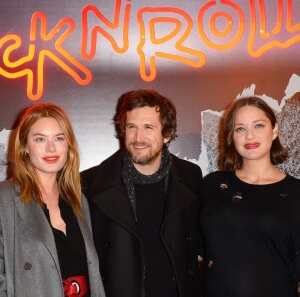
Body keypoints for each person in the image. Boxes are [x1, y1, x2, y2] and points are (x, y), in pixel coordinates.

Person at [81, 89, 203, 297]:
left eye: (148, 127)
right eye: (131, 127)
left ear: (166, 134)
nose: (138, 138)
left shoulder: (191, 177)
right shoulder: (90, 184)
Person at [0, 103, 106, 297]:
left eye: (59, 138)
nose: (51, 148)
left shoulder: (78, 199)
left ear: (68, 145)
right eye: (40, 139)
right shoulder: (4, 198)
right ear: (24, 146)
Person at [200, 96, 300, 297]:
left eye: (259, 126)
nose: (249, 136)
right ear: (232, 136)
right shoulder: (212, 185)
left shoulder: (296, 192)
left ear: (275, 130)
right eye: (240, 129)